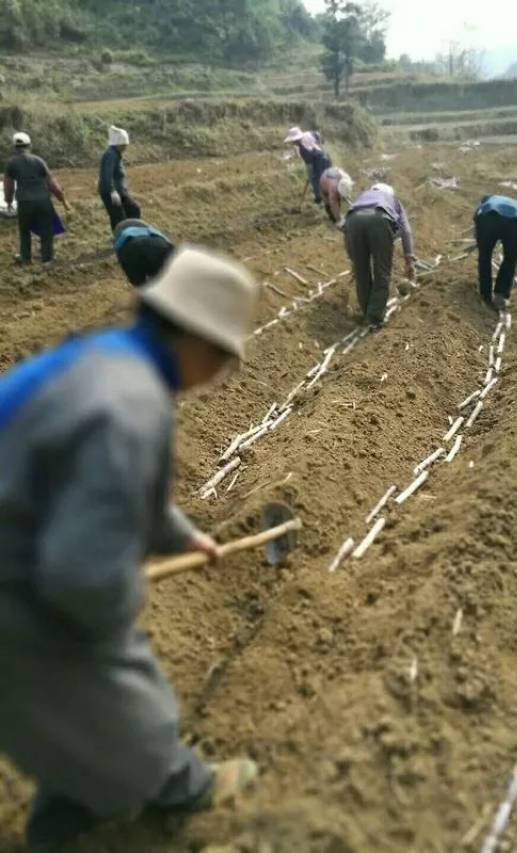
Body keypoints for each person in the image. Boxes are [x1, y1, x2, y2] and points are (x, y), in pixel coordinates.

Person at [0, 246, 260, 852]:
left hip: (24, 542)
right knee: (125, 697)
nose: (219, 374)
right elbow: (80, 579)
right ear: (198, 343)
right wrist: (121, 598)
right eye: (223, 359)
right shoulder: (132, 407)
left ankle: (64, 823)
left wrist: (178, 536)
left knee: (65, 712)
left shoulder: (103, 361)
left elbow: (102, 484)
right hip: (19, 584)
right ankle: (182, 785)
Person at [344, 183, 416, 328]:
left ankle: (367, 312)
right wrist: (409, 258)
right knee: (381, 271)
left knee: (362, 272)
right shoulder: (392, 200)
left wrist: (354, 260)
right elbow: (406, 230)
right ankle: (374, 317)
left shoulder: (362, 197)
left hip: (353, 220)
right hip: (379, 218)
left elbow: (346, 235)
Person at [3, 132, 71, 265]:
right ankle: (47, 259)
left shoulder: (11, 163)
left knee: (24, 230)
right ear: (29, 145)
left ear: (15, 147)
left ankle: (25, 258)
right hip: (43, 201)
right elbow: (52, 184)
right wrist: (62, 200)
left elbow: (8, 187)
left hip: (24, 202)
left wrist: (9, 201)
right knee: (46, 229)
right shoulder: (38, 161)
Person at [474, 194, 517, 312]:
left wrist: (480, 241)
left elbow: (477, 219)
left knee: (485, 257)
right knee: (510, 259)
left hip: (490, 218)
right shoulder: (515, 203)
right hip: (515, 221)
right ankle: (500, 294)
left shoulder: (485, 204)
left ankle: (485, 295)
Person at [98, 125, 141, 233]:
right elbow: (106, 175)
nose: (126, 147)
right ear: (118, 143)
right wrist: (112, 191)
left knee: (133, 209)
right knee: (118, 217)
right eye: (124, 144)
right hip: (110, 192)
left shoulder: (116, 154)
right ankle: (121, 239)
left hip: (119, 192)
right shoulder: (111, 155)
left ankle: (132, 234)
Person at [113, 218, 174, 287]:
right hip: (160, 246)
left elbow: (132, 273)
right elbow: (170, 246)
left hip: (130, 251)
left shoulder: (121, 242)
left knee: (141, 285)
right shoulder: (153, 231)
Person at [284, 126, 333, 205]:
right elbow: (320, 137)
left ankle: (319, 200)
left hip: (320, 160)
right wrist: (320, 145)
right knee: (329, 177)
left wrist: (310, 176)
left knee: (315, 179)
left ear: (296, 140)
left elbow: (309, 165)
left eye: (293, 141)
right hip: (326, 157)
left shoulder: (302, 149)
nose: (292, 142)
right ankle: (335, 193)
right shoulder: (309, 134)